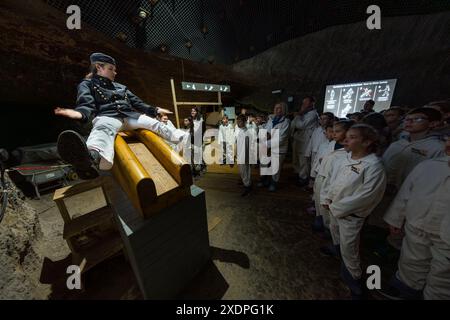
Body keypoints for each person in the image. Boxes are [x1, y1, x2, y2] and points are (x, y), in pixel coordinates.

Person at [54, 52, 186, 179]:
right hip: (109, 116)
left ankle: (182, 139)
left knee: (154, 123)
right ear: (98, 68)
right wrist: (80, 114)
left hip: (130, 116)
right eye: (111, 69)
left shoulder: (121, 87)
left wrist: (155, 110)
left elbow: (137, 103)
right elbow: (86, 103)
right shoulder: (87, 84)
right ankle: (91, 159)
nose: (115, 72)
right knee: (102, 128)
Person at [321, 124, 387, 299]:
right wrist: (327, 198)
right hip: (334, 208)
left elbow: (366, 196)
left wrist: (337, 207)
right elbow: (334, 182)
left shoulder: (373, 165)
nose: (345, 140)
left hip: (350, 215)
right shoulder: (345, 159)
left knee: (350, 248)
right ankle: (336, 251)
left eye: (352, 137)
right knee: (335, 234)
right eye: (347, 136)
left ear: (366, 142)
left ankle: (354, 280)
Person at [380, 136, 450, 300]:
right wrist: (396, 217)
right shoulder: (428, 166)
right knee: (411, 259)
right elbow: (406, 192)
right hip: (418, 223)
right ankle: (405, 288)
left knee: (443, 274)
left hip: (446, 236)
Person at [313, 120, 354, 238]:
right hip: (321, 175)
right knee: (318, 200)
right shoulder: (331, 144)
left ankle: (328, 230)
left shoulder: (347, 151)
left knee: (327, 208)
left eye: (338, 131)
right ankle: (319, 218)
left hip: (331, 181)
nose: (334, 134)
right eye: (333, 131)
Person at [258, 102, 291, 192]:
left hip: (279, 149)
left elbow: (281, 139)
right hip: (268, 147)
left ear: (284, 110)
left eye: (279, 108)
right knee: (265, 164)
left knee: (275, 167)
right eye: (275, 107)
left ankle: (273, 183)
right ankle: (265, 180)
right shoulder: (271, 119)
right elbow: (266, 132)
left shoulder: (286, 122)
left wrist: (267, 142)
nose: (277, 109)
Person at [290, 96, 319, 187]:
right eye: (303, 102)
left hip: (305, 140)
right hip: (298, 138)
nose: (303, 104)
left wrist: (298, 115)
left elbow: (301, 125)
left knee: (303, 159)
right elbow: (293, 124)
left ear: (312, 103)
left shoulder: (313, 114)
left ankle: (303, 177)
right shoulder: (303, 113)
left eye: (305, 102)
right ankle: (297, 174)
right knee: (296, 158)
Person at [235, 114, 255, 196]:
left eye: (240, 121)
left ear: (244, 122)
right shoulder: (239, 130)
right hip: (240, 155)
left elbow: (250, 146)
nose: (238, 123)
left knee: (246, 172)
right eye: (237, 121)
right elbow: (237, 143)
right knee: (242, 172)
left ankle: (248, 187)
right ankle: (247, 185)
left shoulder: (248, 132)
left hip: (245, 156)